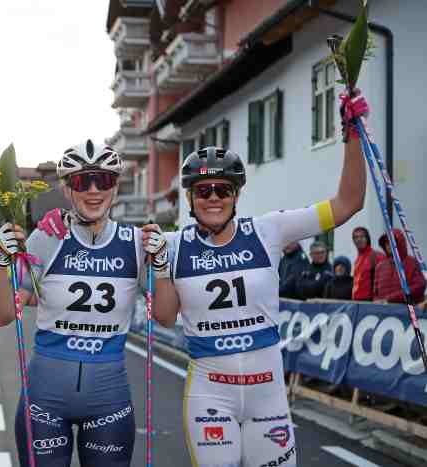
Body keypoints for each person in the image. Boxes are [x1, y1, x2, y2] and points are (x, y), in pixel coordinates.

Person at [151, 90, 370, 467]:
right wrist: (58, 227)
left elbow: (347, 203)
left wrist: (353, 134)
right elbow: (161, 313)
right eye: (204, 190)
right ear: (190, 197)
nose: (214, 197)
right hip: (209, 397)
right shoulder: (171, 244)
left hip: (267, 397)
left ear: (236, 195)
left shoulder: (268, 230)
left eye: (223, 189)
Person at [0, 140, 167, 467]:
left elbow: (167, 316)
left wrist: (161, 265)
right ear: (68, 189)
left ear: (115, 187)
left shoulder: (136, 244)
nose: (94, 190)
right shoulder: (47, 237)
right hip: (44, 401)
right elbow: (1, 315)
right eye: (83, 181)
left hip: (108, 402)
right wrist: (1, 262)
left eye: (105, 180)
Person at [373, 228, 426, 304]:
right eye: (386, 243)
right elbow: (375, 292)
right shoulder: (380, 266)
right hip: (384, 311)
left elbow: (419, 286)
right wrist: (377, 302)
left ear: (400, 242)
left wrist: (390, 299)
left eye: (392, 242)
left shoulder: (413, 262)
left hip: (406, 310)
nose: (389, 245)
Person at [351, 226, 384, 301]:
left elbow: (383, 281)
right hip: (357, 301)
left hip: (370, 301)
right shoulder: (357, 259)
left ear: (367, 238)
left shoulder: (376, 256)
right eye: (356, 237)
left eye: (362, 236)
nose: (359, 239)